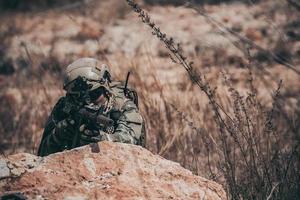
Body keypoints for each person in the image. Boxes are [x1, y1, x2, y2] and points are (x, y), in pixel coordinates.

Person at [37, 58, 146, 156]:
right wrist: (58, 135)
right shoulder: (65, 106)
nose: (87, 102)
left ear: (106, 88)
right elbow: (42, 153)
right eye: (78, 97)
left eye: (94, 94)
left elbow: (131, 144)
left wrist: (104, 139)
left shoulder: (122, 105)